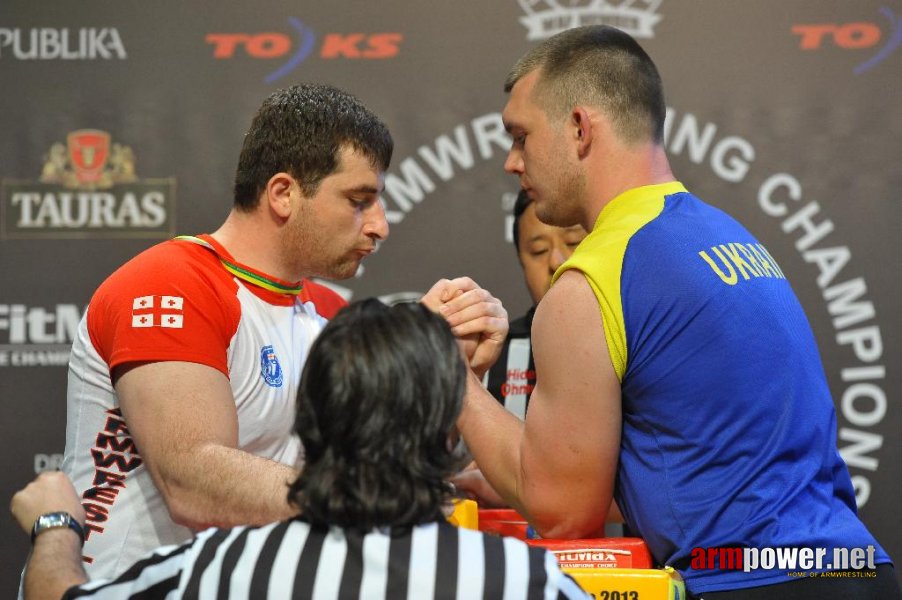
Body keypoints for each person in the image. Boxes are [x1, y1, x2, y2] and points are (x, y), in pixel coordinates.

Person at [449, 25, 900, 599]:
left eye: (521, 136)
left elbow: (563, 511)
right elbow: (711, 462)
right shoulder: (728, 236)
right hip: (857, 570)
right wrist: (509, 481)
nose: (513, 162)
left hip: (748, 581)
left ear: (580, 129)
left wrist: (450, 376)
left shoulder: (592, 280)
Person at [55, 83, 507, 581]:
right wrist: (366, 504)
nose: (380, 225)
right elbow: (192, 483)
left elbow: (406, 463)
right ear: (284, 193)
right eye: (360, 200)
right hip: (124, 585)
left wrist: (448, 370)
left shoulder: (332, 314)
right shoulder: (172, 284)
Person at [12, 300, 588, 600]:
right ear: (446, 434)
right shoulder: (524, 580)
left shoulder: (222, 568)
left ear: (309, 421)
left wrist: (57, 524)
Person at [485, 189, 586, 418]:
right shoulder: (490, 357)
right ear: (521, 261)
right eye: (539, 250)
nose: (557, 261)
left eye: (574, 242)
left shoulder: (644, 346)